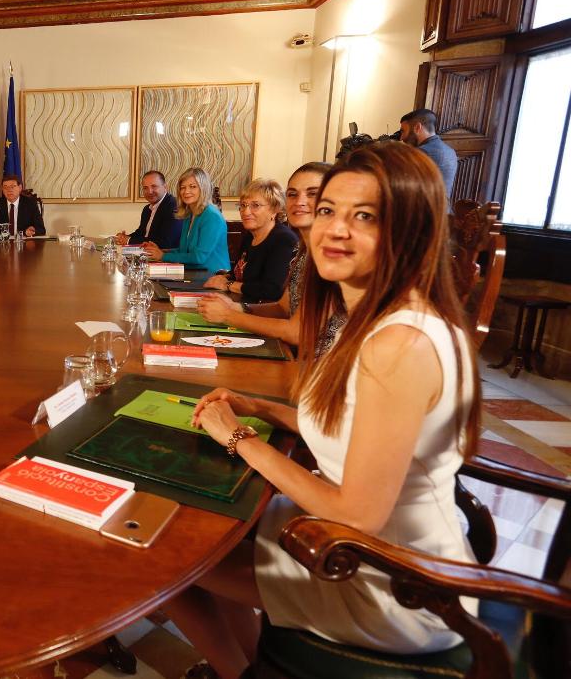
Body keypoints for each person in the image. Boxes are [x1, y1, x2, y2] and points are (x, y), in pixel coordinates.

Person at [163, 141, 481, 679]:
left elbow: (356, 514)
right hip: (366, 552)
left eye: (365, 217)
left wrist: (240, 437)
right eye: (329, 210)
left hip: (393, 586)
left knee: (170, 560)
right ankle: (246, 667)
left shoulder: (397, 344)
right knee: (208, 533)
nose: (335, 229)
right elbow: (352, 425)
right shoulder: (380, 314)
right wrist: (256, 405)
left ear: (410, 231)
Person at [198, 163, 343, 350]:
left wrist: (229, 316)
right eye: (292, 194)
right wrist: (238, 308)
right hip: (296, 358)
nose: (299, 201)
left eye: (312, 193)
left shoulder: (334, 253)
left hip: (324, 369)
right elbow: (283, 308)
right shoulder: (304, 250)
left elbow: (297, 333)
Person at [203, 178, 297, 303]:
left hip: (266, 315)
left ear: (274, 210)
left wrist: (228, 285)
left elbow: (272, 289)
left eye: (255, 205)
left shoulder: (283, 239)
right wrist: (222, 278)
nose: (246, 212)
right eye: (243, 205)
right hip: (242, 304)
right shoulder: (250, 236)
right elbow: (238, 273)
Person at [144, 167, 229, 272]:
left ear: (203, 188)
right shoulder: (189, 214)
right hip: (192, 273)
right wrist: (158, 251)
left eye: (192, 187)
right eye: (182, 187)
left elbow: (198, 258)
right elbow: (184, 251)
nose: (186, 191)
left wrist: (162, 256)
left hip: (212, 277)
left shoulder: (212, 216)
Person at [114, 169, 181, 250]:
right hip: (147, 254)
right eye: (145, 188)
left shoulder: (173, 206)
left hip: (166, 257)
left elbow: (166, 242)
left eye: (154, 186)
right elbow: (141, 233)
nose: (149, 191)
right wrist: (125, 237)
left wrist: (129, 240)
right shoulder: (147, 209)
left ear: (165, 187)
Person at [400, 108, 458, 197]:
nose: (401, 138)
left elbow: (401, 186)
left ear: (417, 127)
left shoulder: (421, 152)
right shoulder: (450, 151)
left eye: (403, 131)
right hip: (444, 209)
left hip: (424, 210)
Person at [0, 174, 45, 238]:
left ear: (20, 188)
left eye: (12, 186)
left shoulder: (30, 204)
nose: (9, 190)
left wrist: (31, 231)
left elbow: (41, 230)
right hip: (3, 244)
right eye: (5, 187)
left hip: (24, 244)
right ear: (2, 189)